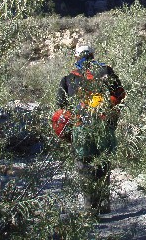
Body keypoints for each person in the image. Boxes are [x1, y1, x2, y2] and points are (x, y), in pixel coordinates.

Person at [56, 45, 126, 213]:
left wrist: (67, 134)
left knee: (84, 165)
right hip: (105, 127)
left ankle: (89, 208)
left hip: (81, 129)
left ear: (77, 57)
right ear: (93, 56)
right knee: (103, 164)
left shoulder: (68, 79)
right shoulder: (106, 71)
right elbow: (120, 94)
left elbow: (61, 108)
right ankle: (103, 204)